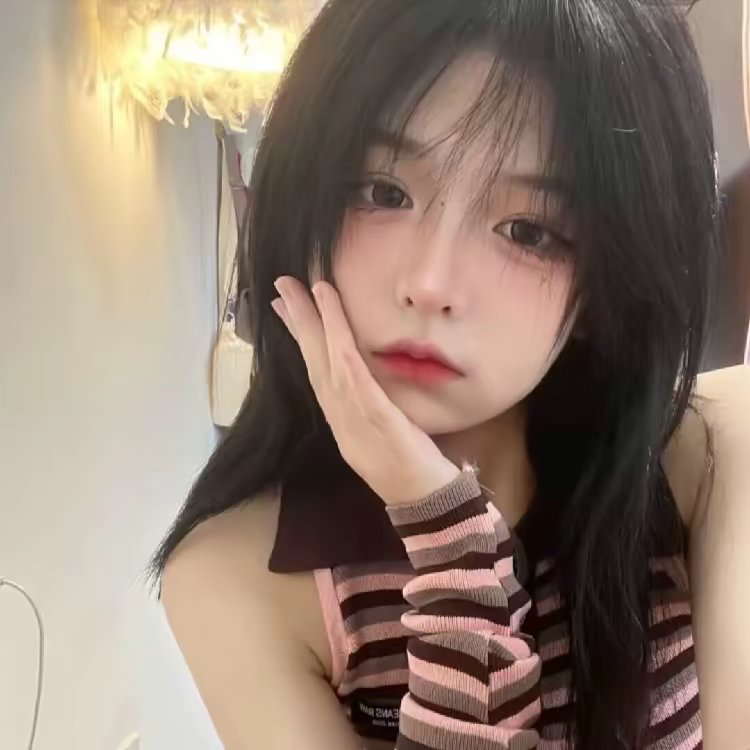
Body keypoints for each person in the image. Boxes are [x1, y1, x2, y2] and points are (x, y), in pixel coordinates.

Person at [151, 1, 750, 748]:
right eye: (383, 192)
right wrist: (453, 549)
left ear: (606, 287)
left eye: (528, 230)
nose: (431, 282)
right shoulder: (236, 577)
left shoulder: (704, 461)